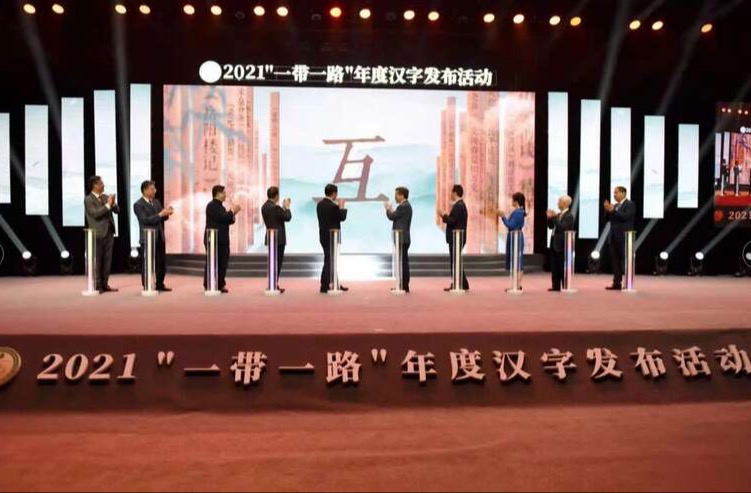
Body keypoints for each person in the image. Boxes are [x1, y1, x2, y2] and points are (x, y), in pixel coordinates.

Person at [133, 180, 174, 292]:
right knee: (148, 262)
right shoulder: (138, 204)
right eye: (152, 189)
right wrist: (161, 214)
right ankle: (147, 285)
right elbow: (145, 220)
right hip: (147, 238)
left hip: (159, 236)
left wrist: (167, 213)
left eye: (154, 189)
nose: (155, 191)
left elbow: (161, 217)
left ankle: (160, 283)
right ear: (145, 190)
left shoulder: (156, 202)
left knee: (161, 262)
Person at [84, 175, 119, 293]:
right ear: (94, 185)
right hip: (97, 233)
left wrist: (113, 204)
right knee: (97, 260)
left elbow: (117, 211)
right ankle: (97, 284)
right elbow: (95, 214)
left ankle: (105, 284)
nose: (103, 185)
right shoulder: (88, 199)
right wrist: (108, 205)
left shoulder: (105, 197)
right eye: (101, 183)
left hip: (109, 232)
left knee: (107, 260)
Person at [204, 185, 241, 294]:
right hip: (214, 239)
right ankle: (209, 284)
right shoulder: (211, 205)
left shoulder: (221, 206)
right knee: (213, 263)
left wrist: (233, 214)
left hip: (222, 239)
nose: (225, 195)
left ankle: (220, 284)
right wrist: (232, 211)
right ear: (218, 194)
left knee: (222, 263)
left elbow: (226, 220)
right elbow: (222, 217)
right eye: (224, 193)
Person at [317, 184, 348, 293]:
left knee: (330, 260)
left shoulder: (320, 204)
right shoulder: (333, 206)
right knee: (330, 261)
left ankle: (335, 283)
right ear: (334, 193)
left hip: (323, 236)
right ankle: (324, 284)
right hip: (332, 237)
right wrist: (342, 207)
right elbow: (342, 217)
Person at [603, 186, 636, 290]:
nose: (614, 195)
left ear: (623, 193)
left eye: (616, 192)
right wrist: (607, 210)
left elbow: (625, 217)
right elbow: (606, 219)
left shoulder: (630, 204)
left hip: (624, 237)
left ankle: (628, 283)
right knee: (615, 262)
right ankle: (616, 283)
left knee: (624, 261)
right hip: (613, 237)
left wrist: (613, 211)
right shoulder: (615, 205)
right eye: (614, 193)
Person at [261, 187, 292, 293]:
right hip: (279, 239)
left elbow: (278, 216)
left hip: (270, 237)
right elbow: (287, 217)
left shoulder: (264, 206)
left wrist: (282, 208)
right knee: (277, 263)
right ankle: (274, 284)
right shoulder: (275, 207)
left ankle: (272, 283)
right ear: (276, 196)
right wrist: (287, 207)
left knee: (272, 262)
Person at [439, 184, 469, 291]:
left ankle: (457, 284)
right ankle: (463, 284)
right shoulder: (460, 205)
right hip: (457, 237)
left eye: (451, 192)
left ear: (455, 192)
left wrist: (443, 215)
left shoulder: (459, 206)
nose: (450, 194)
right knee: (457, 260)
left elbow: (453, 221)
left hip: (456, 237)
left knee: (455, 261)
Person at [385, 187, 413, 293]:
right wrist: (392, 210)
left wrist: (388, 209)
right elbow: (397, 216)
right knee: (403, 262)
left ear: (402, 195)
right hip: (403, 238)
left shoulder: (403, 206)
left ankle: (404, 285)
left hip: (402, 238)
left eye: (396, 194)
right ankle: (402, 284)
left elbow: (392, 216)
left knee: (403, 262)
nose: (395, 197)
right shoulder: (405, 206)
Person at [498, 192, 527, 291]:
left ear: (516, 201)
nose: (511, 201)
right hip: (514, 236)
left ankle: (517, 285)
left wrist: (503, 216)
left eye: (513, 199)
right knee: (515, 261)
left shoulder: (518, 212)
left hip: (516, 237)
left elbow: (510, 225)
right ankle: (516, 285)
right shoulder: (519, 212)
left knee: (517, 261)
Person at [546, 195, 575, 292]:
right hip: (554, 243)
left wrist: (554, 218)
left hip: (563, 245)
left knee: (562, 266)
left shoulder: (569, 216)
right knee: (554, 266)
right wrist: (549, 218)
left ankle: (565, 285)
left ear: (565, 203)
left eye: (559, 201)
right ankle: (555, 286)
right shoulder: (558, 215)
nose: (557, 203)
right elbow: (551, 227)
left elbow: (562, 228)